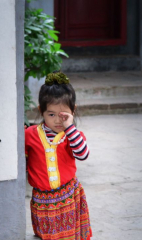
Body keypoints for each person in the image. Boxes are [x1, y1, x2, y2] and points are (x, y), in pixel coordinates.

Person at [25, 71, 92, 240]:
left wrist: (70, 127)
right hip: (42, 200)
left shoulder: (72, 135)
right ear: (41, 111)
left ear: (72, 111)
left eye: (63, 116)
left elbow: (83, 154)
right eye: (51, 114)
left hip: (68, 196)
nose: (57, 121)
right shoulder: (30, 134)